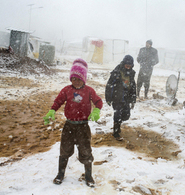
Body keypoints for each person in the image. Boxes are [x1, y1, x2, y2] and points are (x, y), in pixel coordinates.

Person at [43, 58, 103, 187]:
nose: (76, 81)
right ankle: (60, 173)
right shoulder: (66, 90)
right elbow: (58, 101)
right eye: (74, 79)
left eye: (79, 79)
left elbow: (98, 101)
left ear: (84, 79)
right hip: (69, 125)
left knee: (86, 151)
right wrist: (52, 111)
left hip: (83, 126)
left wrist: (96, 110)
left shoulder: (89, 91)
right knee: (64, 150)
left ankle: (88, 175)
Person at [105, 55, 136, 141]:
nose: (128, 67)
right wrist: (108, 98)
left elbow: (133, 86)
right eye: (127, 65)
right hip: (117, 97)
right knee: (118, 113)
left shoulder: (131, 73)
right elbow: (109, 85)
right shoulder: (117, 72)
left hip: (126, 97)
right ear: (123, 64)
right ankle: (116, 131)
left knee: (126, 115)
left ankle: (118, 123)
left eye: (130, 66)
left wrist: (133, 100)